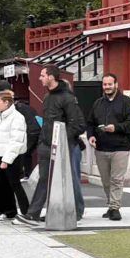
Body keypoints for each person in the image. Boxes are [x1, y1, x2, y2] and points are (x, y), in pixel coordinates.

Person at [36, 67, 91, 221]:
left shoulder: (67, 98)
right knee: (52, 181)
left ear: (51, 77)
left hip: (68, 145)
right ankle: (55, 210)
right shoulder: (48, 97)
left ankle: (77, 210)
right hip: (50, 144)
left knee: (72, 178)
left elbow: (79, 124)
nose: (40, 78)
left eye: (42, 75)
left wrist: (60, 138)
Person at [84, 73, 130, 221]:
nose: (107, 87)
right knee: (105, 180)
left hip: (120, 147)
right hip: (101, 147)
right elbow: (90, 123)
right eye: (105, 84)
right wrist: (91, 136)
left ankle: (115, 207)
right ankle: (110, 205)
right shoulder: (97, 103)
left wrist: (115, 128)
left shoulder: (127, 102)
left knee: (117, 179)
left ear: (116, 84)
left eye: (110, 84)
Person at [0, 85, 31, 218]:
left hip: (12, 156)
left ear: (6, 102)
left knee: (14, 184)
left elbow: (16, 140)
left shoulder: (17, 117)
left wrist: (6, 160)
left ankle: (27, 211)